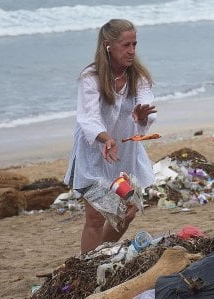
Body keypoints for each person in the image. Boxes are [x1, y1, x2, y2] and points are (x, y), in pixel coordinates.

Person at [63, 19, 158, 254]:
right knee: (95, 216)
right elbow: (88, 117)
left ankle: (102, 254)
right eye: (126, 45)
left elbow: (146, 101)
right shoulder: (91, 77)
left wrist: (142, 114)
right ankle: (87, 264)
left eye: (134, 44)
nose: (132, 51)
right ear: (108, 45)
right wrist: (105, 139)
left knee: (127, 212)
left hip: (124, 154)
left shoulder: (138, 76)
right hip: (95, 152)